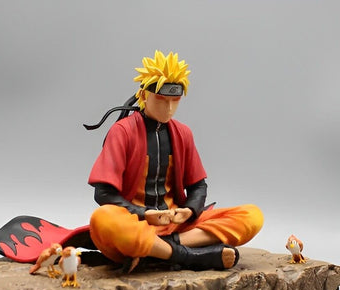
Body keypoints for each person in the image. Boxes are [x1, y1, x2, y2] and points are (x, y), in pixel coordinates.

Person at [87, 50, 263, 271]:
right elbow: (103, 193)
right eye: (161, 100)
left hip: (176, 225)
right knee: (102, 219)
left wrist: (189, 210)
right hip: (136, 224)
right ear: (144, 96)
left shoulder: (183, 133)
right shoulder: (122, 132)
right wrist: (144, 214)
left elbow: (198, 186)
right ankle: (189, 256)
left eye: (175, 101)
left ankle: (159, 250)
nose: (168, 108)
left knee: (252, 216)